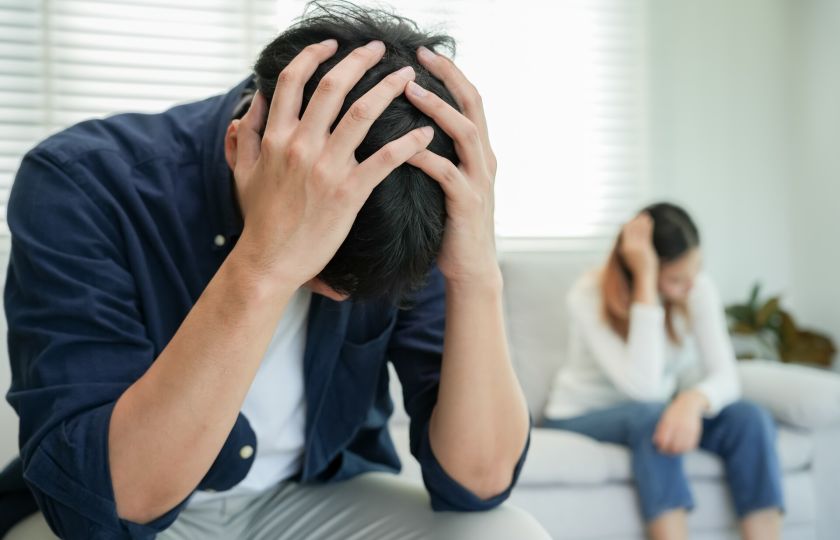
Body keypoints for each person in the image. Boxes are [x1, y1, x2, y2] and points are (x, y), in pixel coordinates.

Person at [0, 2, 547, 539]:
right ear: (239, 146)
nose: (338, 300)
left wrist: (476, 273)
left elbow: (479, 481)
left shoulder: (408, 191)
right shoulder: (82, 181)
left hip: (311, 497)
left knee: (506, 533)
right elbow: (112, 505)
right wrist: (267, 262)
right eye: (320, 278)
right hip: (131, 509)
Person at [542, 203, 784, 540]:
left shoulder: (696, 287)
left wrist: (692, 401)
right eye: (675, 279)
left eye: (696, 269)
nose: (691, 285)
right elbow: (644, 389)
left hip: (656, 408)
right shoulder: (588, 295)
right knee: (654, 417)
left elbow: (727, 377)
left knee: (749, 418)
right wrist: (646, 282)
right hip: (581, 415)